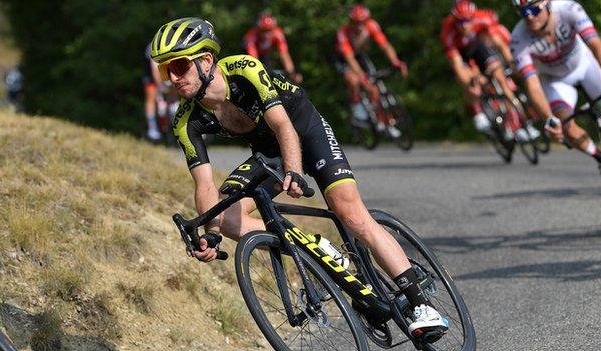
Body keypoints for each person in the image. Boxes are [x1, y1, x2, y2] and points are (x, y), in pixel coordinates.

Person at [150, 17, 449, 339]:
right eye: (165, 70)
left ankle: (421, 305)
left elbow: (283, 126)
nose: (173, 78)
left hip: (304, 129)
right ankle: (316, 246)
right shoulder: (185, 120)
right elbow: (204, 185)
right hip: (269, 151)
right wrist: (211, 234)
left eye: (179, 66)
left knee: (349, 211)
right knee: (225, 216)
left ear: (206, 60)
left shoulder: (243, 70)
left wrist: (293, 170)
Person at [510, 0, 601, 186]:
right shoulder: (518, 39)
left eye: (534, 9)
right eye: (523, 12)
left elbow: (596, 44)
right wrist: (548, 118)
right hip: (555, 80)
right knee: (565, 125)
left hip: (584, 64)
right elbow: (533, 84)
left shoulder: (568, 9)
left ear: (547, 4)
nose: (529, 16)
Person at [441, 0, 540, 140]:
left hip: (478, 49)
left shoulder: (484, 20)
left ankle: (520, 121)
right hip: (460, 53)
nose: (464, 25)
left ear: (474, 17)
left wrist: (514, 64)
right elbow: (458, 67)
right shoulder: (448, 32)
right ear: (454, 20)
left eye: (468, 20)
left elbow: (501, 45)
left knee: (500, 76)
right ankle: (478, 112)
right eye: (460, 21)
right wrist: (472, 80)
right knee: (472, 86)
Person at [334, 4, 408, 137]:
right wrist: (360, 75)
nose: (358, 26)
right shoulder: (343, 32)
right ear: (351, 22)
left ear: (367, 21)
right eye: (355, 23)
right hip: (344, 58)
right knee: (353, 80)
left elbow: (385, 46)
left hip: (360, 57)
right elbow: (349, 58)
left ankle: (383, 120)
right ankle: (356, 108)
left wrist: (395, 61)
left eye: (362, 22)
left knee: (374, 88)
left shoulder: (372, 26)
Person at [243, 12, 302, 83]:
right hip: (248, 55)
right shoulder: (251, 36)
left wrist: (292, 73)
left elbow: (284, 54)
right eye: (264, 31)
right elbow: (253, 58)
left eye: (269, 31)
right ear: (258, 29)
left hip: (264, 54)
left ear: (274, 29)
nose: (266, 35)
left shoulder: (278, 33)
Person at [143, 42, 164, 142]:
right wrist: (160, 86)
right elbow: (154, 70)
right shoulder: (152, 46)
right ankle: (152, 129)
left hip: (166, 73)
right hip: (151, 78)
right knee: (151, 98)